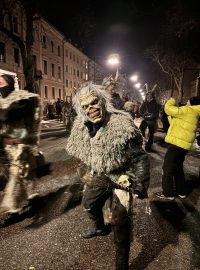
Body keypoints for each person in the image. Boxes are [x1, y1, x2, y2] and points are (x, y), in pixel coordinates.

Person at [66, 82, 150, 270]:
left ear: (102, 102)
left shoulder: (121, 124)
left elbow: (140, 156)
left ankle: (122, 264)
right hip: (102, 174)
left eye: (94, 103)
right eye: (85, 106)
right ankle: (99, 227)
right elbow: (81, 150)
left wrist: (141, 184)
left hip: (123, 175)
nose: (91, 109)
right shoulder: (81, 126)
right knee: (88, 204)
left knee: (120, 221)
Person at [0, 74, 42, 215]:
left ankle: (12, 206)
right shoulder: (2, 101)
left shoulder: (21, 99)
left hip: (21, 143)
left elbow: (34, 114)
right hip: (8, 145)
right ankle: (31, 195)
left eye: (2, 82)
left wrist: (30, 138)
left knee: (16, 172)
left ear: (9, 83)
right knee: (26, 172)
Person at [156, 96, 200, 200]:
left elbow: (168, 108)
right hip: (184, 146)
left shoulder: (187, 110)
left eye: (188, 100)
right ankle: (181, 192)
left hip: (177, 144)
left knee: (167, 168)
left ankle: (168, 193)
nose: (186, 102)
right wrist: (171, 117)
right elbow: (178, 123)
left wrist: (171, 100)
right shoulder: (195, 112)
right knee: (178, 168)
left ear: (191, 102)